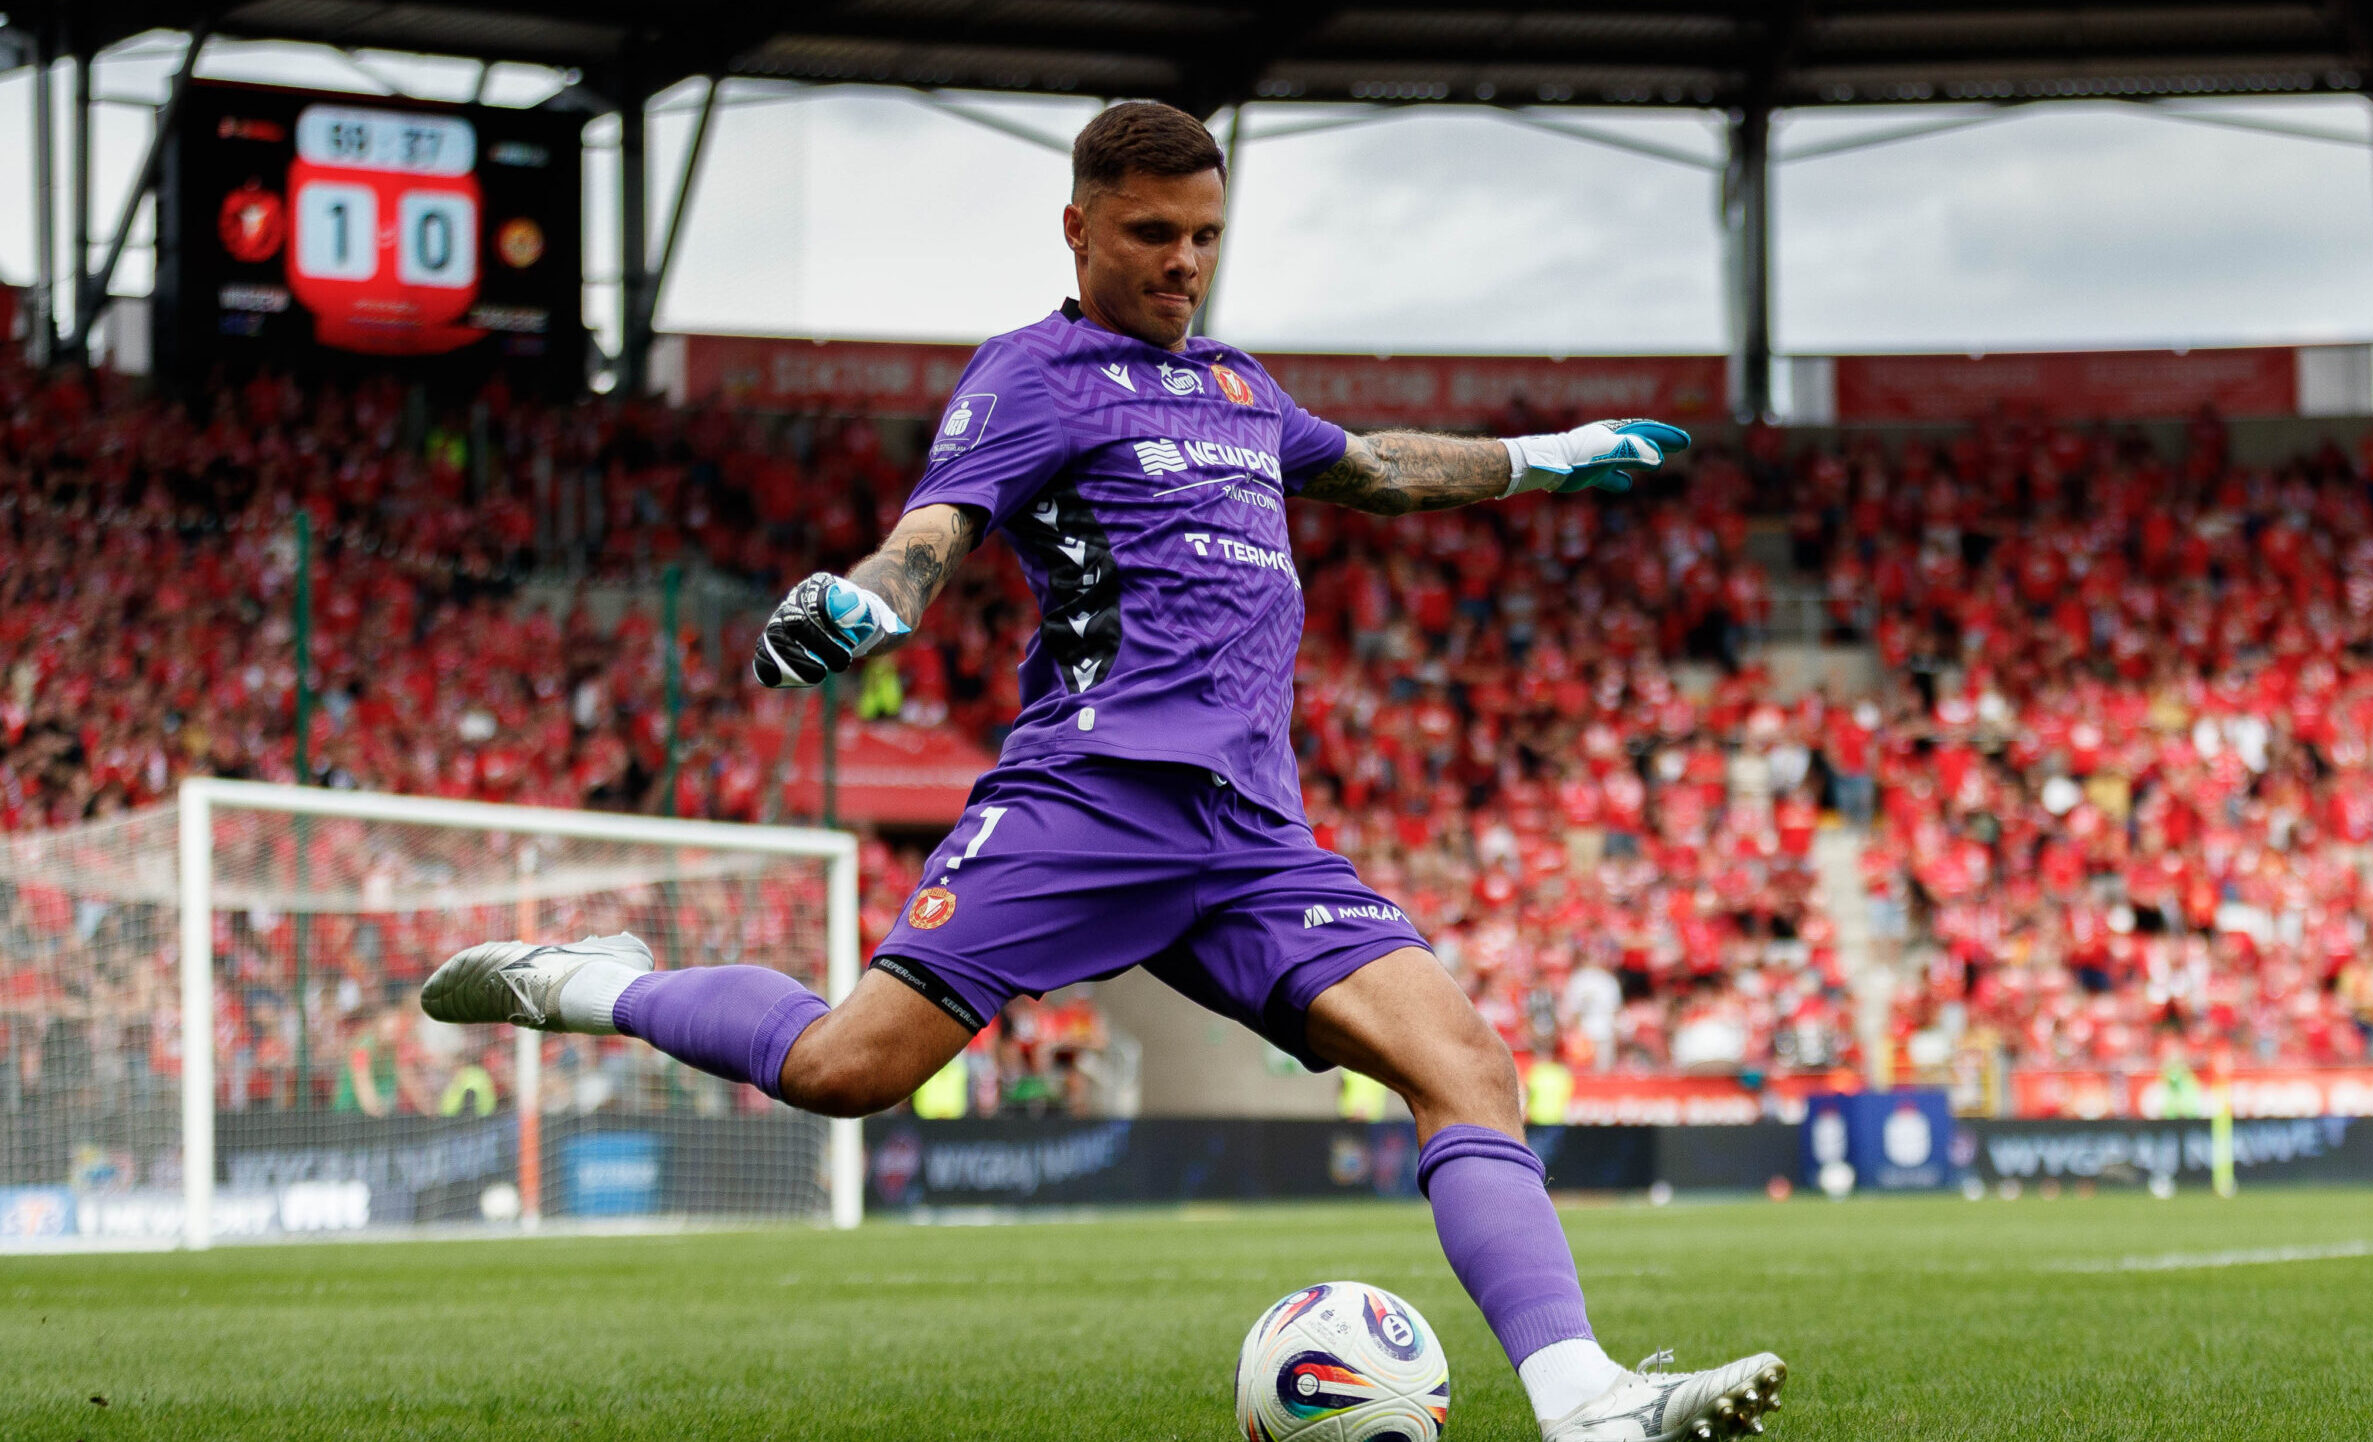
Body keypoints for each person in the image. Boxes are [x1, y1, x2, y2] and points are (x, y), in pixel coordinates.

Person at [422, 101, 1783, 1442]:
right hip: (1094, 797)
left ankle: (1585, 1400)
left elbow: (1373, 469)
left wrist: (1549, 457)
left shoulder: (1242, 387)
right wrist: (867, 601)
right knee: (848, 1065)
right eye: (1150, 233)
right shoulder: (1033, 375)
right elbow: (936, 527)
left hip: (1252, 833)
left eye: (1202, 235)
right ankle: (589, 978)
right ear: (1077, 229)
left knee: (1470, 1066)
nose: (1182, 262)